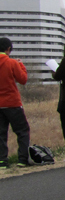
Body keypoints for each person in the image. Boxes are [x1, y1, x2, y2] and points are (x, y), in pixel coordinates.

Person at [0, 37, 30, 169]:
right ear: (8, 49)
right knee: (22, 131)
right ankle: (22, 160)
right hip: (12, 103)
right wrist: (21, 65)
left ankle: (2, 161)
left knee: (1, 133)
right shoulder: (12, 63)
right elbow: (23, 79)